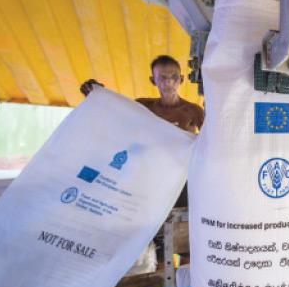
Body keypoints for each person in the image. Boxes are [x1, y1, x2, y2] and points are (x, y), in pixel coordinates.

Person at [80, 54, 204, 207]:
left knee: (179, 219)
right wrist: (98, 96)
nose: (169, 82)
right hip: (146, 177)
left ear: (182, 79)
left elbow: (210, 141)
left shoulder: (192, 111)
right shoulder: (143, 106)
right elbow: (116, 116)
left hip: (179, 180)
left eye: (174, 76)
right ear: (153, 81)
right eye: (162, 78)